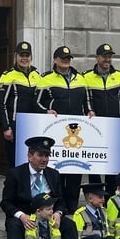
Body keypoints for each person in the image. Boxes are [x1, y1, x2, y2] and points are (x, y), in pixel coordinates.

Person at [0, 136, 94, 239]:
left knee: (69, 224)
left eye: (47, 155)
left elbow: (61, 201)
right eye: (40, 155)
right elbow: (6, 202)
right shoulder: (15, 174)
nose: (44, 159)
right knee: (13, 225)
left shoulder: (53, 174)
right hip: (26, 217)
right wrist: (21, 215)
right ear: (30, 156)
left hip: (48, 217)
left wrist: (58, 212)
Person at [36, 45, 90, 213]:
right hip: (55, 130)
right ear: (55, 60)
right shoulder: (45, 78)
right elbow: (36, 102)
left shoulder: (80, 78)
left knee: (75, 168)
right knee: (57, 169)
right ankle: (59, 204)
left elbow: (87, 102)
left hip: (77, 129)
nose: (65, 61)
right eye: (62, 58)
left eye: (68, 58)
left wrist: (90, 111)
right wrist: (46, 111)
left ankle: (72, 204)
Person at [84, 43, 120, 199]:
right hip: (94, 127)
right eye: (104, 57)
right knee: (94, 163)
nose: (107, 59)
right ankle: (95, 194)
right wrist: (89, 110)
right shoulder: (87, 77)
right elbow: (86, 99)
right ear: (97, 58)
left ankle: (110, 196)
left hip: (115, 127)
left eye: (109, 57)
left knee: (113, 164)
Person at [0, 41, 42, 166]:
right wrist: (6, 127)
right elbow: (1, 104)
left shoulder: (37, 75)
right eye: (21, 55)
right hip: (15, 126)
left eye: (27, 55)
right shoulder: (8, 76)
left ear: (31, 57)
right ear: (15, 56)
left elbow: (40, 101)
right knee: (15, 165)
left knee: (33, 164)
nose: (24, 58)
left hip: (33, 126)